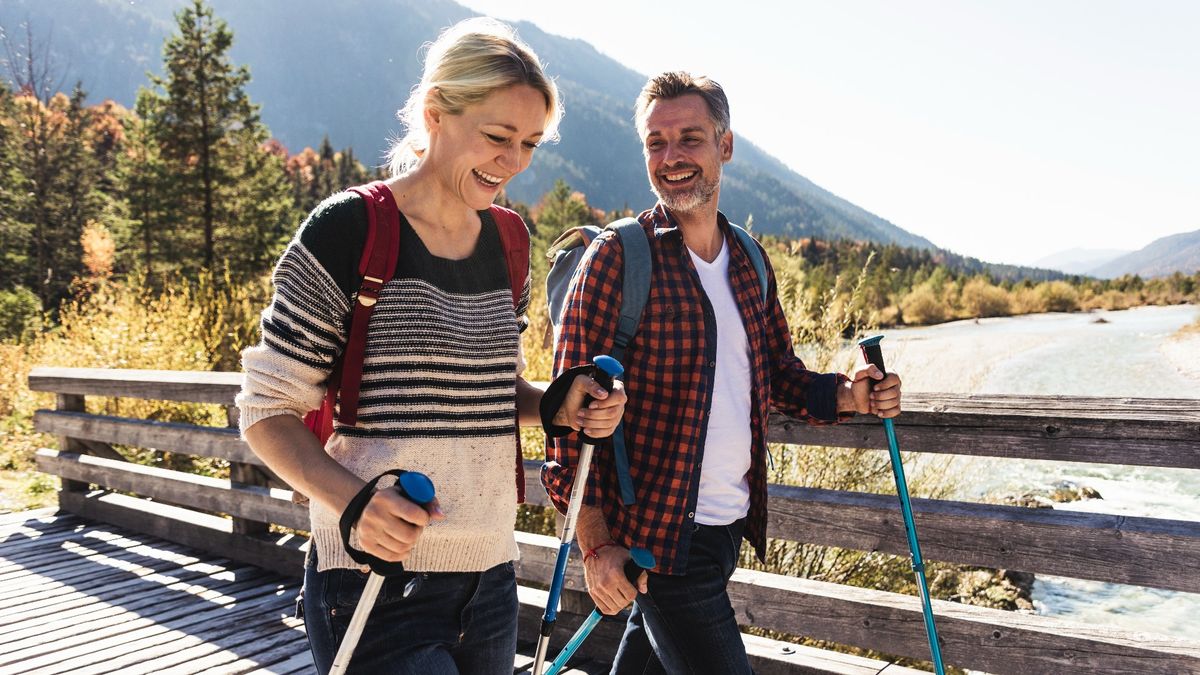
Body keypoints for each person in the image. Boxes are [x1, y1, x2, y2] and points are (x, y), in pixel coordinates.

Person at [236, 18, 626, 675]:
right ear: (435, 113)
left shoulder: (509, 242)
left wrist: (557, 402)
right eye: (498, 137)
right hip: (373, 579)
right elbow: (265, 411)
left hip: (492, 578)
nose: (514, 161)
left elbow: (492, 392)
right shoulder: (349, 229)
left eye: (530, 143)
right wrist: (355, 505)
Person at [542, 71, 903, 674]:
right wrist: (596, 543)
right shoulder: (618, 257)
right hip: (654, 541)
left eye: (690, 138)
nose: (672, 157)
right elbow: (564, 418)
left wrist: (850, 393)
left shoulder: (749, 261)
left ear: (725, 146)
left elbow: (779, 375)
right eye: (656, 142)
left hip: (724, 528)